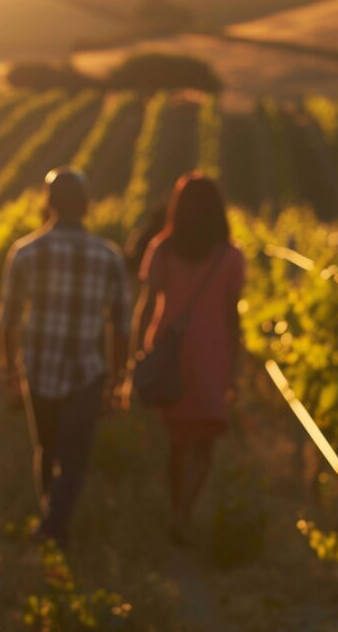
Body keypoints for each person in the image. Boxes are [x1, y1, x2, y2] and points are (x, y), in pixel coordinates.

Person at [0, 167, 131, 546]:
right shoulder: (108, 255)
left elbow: (6, 319)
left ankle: (50, 524)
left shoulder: (25, 251)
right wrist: (119, 377)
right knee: (73, 457)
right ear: (86, 206)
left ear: (49, 203)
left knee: (46, 447)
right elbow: (121, 324)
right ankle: (54, 525)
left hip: (38, 367)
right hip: (86, 371)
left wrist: (9, 371)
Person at [126, 172, 245, 545]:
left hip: (170, 352)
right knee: (205, 439)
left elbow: (147, 306)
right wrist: (236, 369)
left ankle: (176, 507)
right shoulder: (231, 256)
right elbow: (232, 315)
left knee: (177, 439)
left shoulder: (162, 249)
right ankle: (184, 512)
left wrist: (136, 357)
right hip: (213, 353)